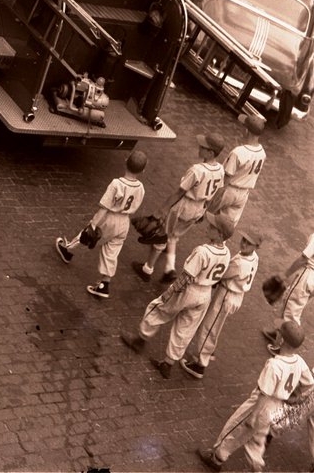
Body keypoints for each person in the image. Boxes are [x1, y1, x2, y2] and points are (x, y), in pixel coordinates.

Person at [122, 214, 234, 379]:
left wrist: (170, 292)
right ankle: (168, 363)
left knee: (158, 309)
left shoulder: (203, 251)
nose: (208, 228)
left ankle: (140, 340)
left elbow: (186, 276)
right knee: (186, 328)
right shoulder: (227, 253)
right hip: (205, 294)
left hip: (189, 290)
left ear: (220, 234)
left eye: (213, 227)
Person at [198, 320, 313, 472]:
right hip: (277, 408)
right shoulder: (299, 361)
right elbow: (309, 383)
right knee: (257, 442)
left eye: (280, 335)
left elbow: (264, 394)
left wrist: (253, 416)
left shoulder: (274, 365)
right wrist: (295, 397)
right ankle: (257, 466)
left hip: (260, 406)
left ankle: (217, 458)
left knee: (234, 428)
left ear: (283, 340)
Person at [132, 132, 226, 283]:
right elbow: (216, 193)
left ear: (211, 152)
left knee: (161, 236)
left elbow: (179, 192)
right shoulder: (220, 170)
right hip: (199, 208)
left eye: (203, 147)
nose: (199, 148)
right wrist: (204, 210)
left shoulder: (197, 169)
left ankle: (147, 269)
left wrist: (161, 210)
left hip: (184, 206)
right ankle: (169, 269)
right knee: (174, 236)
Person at [56, 150, 147, 299]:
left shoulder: (117, 183)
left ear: (125, 161)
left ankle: (68, 251)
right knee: (112, 251)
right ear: (143, 170)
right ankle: (104, 284)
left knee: (86, 236)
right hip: (125, 222)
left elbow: (104, 207)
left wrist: (92, 225)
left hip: (109, 218)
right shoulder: (141, 187)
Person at [182, 227, 261, 380]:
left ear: (256, 247)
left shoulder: (240, 263)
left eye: (249, 243)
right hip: (237, 295)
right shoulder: (254, 257)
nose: (244, 244)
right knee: (214, 326)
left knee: (209, 327)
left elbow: (223, 275)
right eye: (244, 240)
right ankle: (208, 350)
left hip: (227, 294)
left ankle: (199, 364)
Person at [264, 226, 314, 353]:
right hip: (312, 281)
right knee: (291, 308)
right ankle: (279, 333)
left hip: (306, 276)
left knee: (290, 312)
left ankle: (282, 348)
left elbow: (304, 259)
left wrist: (284, 275)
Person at [212, 115, 266, 231]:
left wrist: (213, 200)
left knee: (206, 216)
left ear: (247, 131)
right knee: (226, 227)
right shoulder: (262, 152)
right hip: (243, 195)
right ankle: (221, 247)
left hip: (229, 191)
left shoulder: (238, 152)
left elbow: (226, 179)